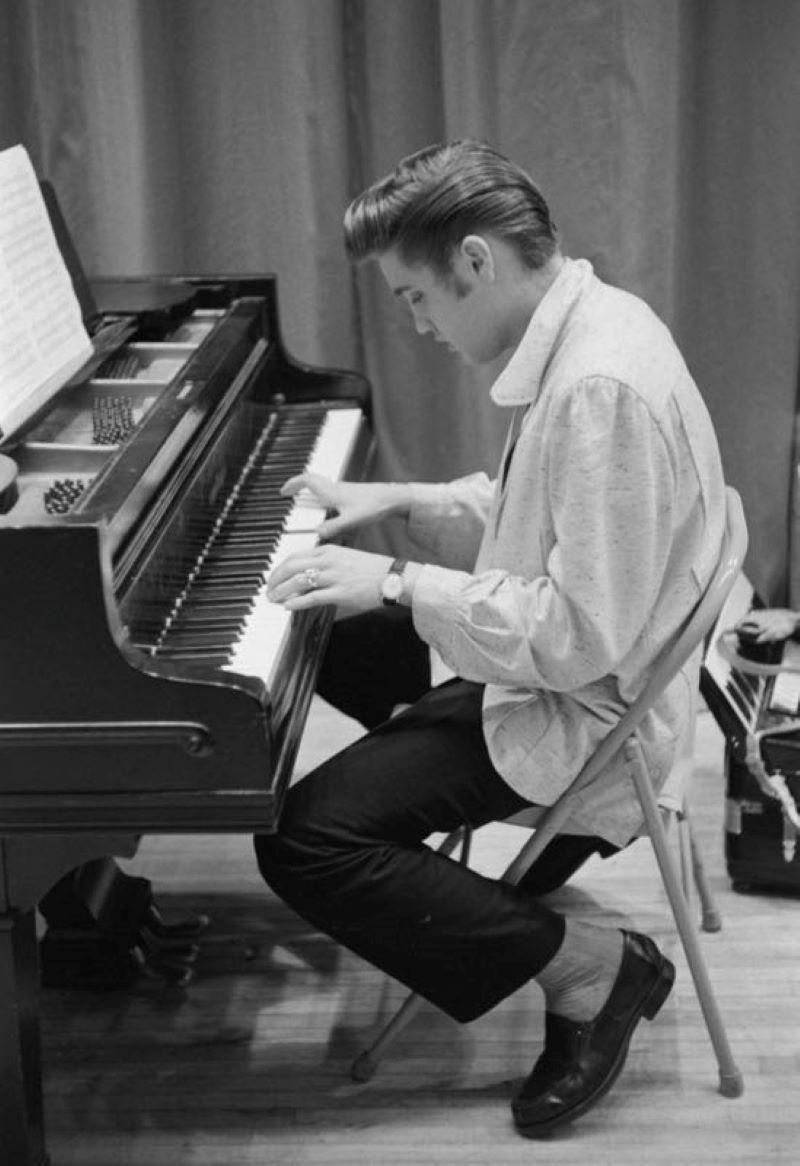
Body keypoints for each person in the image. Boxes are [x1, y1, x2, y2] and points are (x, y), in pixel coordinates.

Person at [255, 140, 727, 1137]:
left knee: (306, 839)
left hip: (581, 707)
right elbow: (538, 515)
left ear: (473, 260)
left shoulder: (599, 385)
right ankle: (430, 889)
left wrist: (393, 575)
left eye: (415, 297)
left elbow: (575, 633)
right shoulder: (591, 320)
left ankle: (588, 969)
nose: (417, 323)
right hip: (557, 666)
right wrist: (393, 501)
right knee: (313, 630)